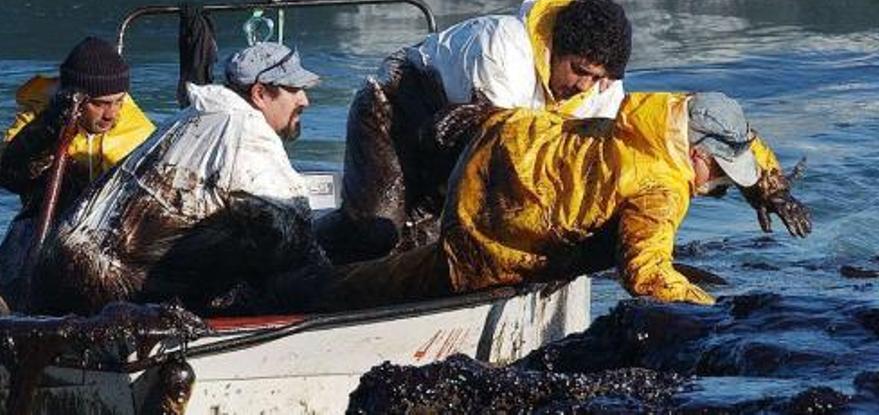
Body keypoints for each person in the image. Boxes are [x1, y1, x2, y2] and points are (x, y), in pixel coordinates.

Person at [266, 92, 811, 311]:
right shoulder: (661, 187)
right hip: (496, 227)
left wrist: (770, 185)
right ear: (694, 151)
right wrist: (717, 313)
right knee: (400, 281)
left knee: (397, 259)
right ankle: (275, 296)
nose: (715, 181)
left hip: (507, 137)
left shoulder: (662, 115)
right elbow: (645, 275)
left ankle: (294, 272)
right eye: (715, 169)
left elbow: (745, 137)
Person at [317, 0, 633, 263]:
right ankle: (301, 255)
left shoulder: (602, 88)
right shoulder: (503, 48)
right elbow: (499, 162)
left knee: (422, 244)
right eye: (579, 71)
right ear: (555, 45)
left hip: (454, 136)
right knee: (376, 232)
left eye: (598, 77)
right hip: (397, 108)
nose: (584, 86)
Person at [25, 41, 328, 315]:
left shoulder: (192, 116)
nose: (305, 100)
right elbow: (294, 242)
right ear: (260, 94)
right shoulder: (245, 133)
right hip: (108, 294)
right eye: (293, 89)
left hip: (56, 271)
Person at [0, 37, 155, 301]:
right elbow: (9, 174)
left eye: (118, 101)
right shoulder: (39, 119)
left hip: (114, 239)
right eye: (100, 103)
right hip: (44, 232)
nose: (111, 114)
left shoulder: (139, 129)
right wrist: (49, 128)